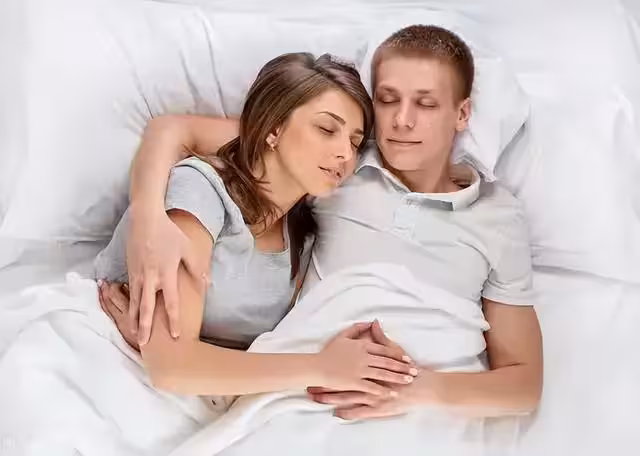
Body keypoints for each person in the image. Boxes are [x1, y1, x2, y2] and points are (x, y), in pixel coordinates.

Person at [101, 25, 543, 419]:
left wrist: (412, 387)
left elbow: (522, 382)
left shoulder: (318, 202)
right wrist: (148, 219)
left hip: (388, 397)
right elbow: (177, 131)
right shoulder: (325, 168)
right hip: (280, 390)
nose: (402, 121)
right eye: (387, 100)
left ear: (462, 114)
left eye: (425, 103)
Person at [95, 52, 418, 399]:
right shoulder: (201, 190)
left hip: (202, 391)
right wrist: (321, 367)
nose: (345, 153)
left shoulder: (302, 239)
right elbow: (171, 367)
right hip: (110, 361)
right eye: (327, 129)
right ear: (274, 128)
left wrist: (174, 349)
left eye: (354, 141)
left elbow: (207, 354)